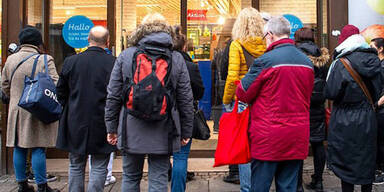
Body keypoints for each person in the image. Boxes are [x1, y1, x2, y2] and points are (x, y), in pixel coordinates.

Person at [105, 13, 194, 192]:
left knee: (130, 177)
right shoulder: (176, 58)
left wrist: (111, 127)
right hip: (164, 128)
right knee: (159, 178)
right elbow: (186, 98)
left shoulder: (126, 55)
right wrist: (186, 130)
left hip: (131, 126)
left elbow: (113, 95)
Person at [236, 16, 314, 192]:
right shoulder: (307, 63)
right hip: (296, 135)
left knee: (260, 187)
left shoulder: (265, 61)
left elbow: (243, 93)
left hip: (268, 137)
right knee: (288, 187)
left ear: (270, 35)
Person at [56, 26, 117, 192]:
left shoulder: (71, 62)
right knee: (99, 166)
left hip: (75, 119)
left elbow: (60, 92)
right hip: (102, 121)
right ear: (108, 41)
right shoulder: (113, 63)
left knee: (76, 164)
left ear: (88, 40)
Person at [1, 26, 60, 192]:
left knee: (19, 147)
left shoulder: (11, 60)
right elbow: (55, 83)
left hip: (16, 108)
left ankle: (22, 185)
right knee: (38, 147)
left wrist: (14, 96)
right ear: (38, 42)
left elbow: (4, 85)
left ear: (21, 42)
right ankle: (42, 186)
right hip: (37, 109)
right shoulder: (44, 59)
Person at [325, 25, 382, 192]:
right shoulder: (375, 61)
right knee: (367, 158)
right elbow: (379, 90)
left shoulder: (341, 63)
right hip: (368, 117)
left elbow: (331, 92)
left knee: (346, 162)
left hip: (345, 118)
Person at [222, 7, 266, 190]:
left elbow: (232, 77)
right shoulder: (266, 44)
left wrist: (226, 100)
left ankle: (247, 188)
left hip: (241, 100)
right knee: (259, 145)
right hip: (261, 100)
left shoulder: (237, 44)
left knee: (243, 147)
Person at [294, 27, 330, 192]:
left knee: (299, 145)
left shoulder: (295, 54)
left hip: (299, 105)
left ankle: (298, 184)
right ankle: (319, 181)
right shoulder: (322, 57)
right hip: (318, 105)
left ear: (298, 38)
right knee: (318, 143)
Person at [171, 26, 205, 192]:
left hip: (161, 115)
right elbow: (200, 91)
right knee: (180, 156)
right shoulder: (190, 66)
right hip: (184, 115)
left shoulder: (160, 63)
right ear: (184, 46)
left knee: (159, 157)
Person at [370, 37, 384, 185]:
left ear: (380, 49)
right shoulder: (378, 64)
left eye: (372, 46)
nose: (369, 48)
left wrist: (376, 104)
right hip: (379, 109)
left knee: (381, 142)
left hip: (381, 109)